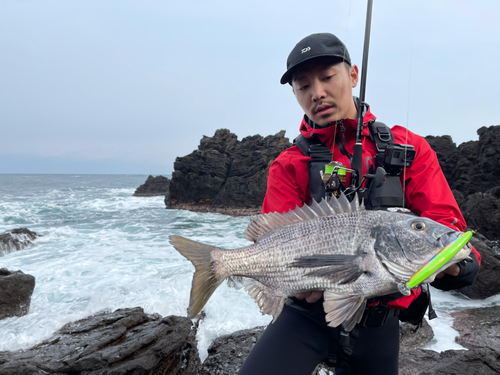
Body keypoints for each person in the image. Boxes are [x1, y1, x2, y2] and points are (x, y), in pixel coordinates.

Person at [238, 32, 480, 375]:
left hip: (381, 321)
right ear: (295, 95)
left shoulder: (409, 148)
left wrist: (456, 265)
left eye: (327, 77)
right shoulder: (287, 164)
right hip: (305, 317)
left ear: (352, 76)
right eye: (303, 86)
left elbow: (446, 226)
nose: (317, 92)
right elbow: (275, 240)